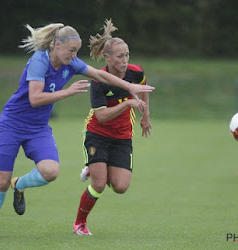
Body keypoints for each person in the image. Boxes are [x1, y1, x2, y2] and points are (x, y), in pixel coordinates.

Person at [0, 23, 154, 238]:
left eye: (77, 51)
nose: (74, 56)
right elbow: (35, 98)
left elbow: (100, 74)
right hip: (11, 124)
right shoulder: (39, 61)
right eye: (71, 51)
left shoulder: (72, 63)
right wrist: (66, 93)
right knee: (0, 181)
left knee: (51, 172)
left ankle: (19, 184)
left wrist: (130, 87)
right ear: (57, 45)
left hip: (38, 128)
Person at [73, 20, 152, 235]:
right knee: (99, 184)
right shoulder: (99, 81)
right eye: (120, 56)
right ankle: (80, 223)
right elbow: (102, 116)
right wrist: (127, 103)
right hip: (98, 133)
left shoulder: (135, 72)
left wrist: (146, 116)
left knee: (121, 187)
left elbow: (142, 88)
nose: (125, 60)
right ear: (107, 58)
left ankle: (96, 166)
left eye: (127, 55)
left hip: (123, 136)